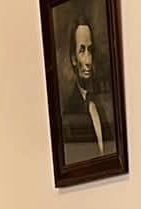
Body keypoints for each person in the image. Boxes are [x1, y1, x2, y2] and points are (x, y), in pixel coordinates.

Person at [59, 16, 112, 158]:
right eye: (82, 51)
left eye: (90, 50)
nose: (88, 61)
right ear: (73, 58)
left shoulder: (99, 104)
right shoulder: (70, 112)